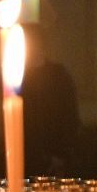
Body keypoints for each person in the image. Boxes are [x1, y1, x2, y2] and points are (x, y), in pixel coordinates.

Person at [20, 21, 80, 175]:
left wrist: (61, 154)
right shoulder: (12, 78)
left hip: (52, 155)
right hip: (21, 155)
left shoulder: (58, 75)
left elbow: (69, 116)